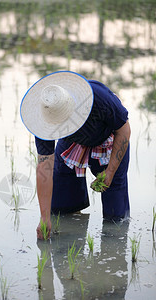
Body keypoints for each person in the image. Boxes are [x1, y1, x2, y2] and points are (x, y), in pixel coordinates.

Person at [20, 71, 131, 240]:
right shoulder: (45, 116)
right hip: (72, 142)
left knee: (116, 218)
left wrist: (109, 172)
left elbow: (124, 130)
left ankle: (113, 245)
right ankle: (68, 250)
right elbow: (45, 168)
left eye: (64, 122)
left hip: (108, 140)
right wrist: (44, 218)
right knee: (61, 207)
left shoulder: (99, 99)